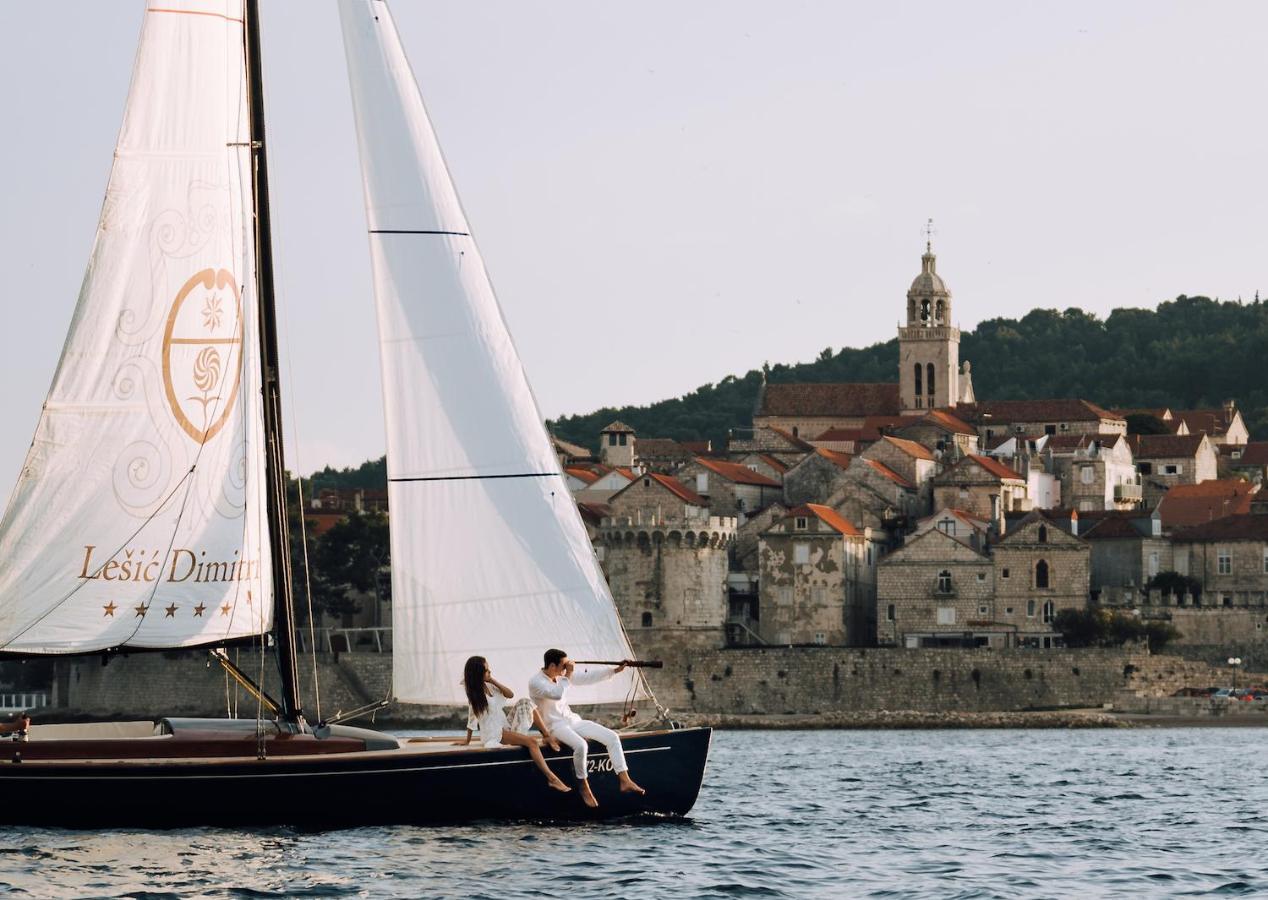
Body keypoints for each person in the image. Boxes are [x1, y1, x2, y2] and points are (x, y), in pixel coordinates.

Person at [529, 649, 646, 808]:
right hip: (554, 726)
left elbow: (587, 678)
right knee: (581, 746)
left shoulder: (560, 676)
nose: (566, 669)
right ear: (551, 665)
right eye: (563, 666)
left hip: (572, 720)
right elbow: (557, 694)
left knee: (612, 737)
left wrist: (614, 670)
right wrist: (568, 674)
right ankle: (584, 786)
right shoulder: (536, 682)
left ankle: (625, 780)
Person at [458, 655, 571, 793]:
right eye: (487, 670)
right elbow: (472, 717)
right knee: (532, 742)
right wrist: (467, 740)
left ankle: (546, 735)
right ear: (478, 672)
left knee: (526, 702)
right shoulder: (475, 694)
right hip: (494, 732)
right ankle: (552, 778)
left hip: (504, 724)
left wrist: (492, 680)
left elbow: (510, 694)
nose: (490, 672)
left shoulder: (489, 686)